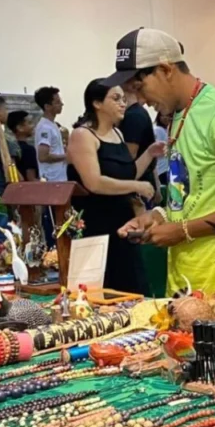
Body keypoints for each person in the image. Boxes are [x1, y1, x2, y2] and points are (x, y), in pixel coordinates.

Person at [108, 27, 215, 295]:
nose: (142, 101)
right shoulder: (180, 115)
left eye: (139, 88)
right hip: (186, 280)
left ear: (165, 69)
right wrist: (157, 217)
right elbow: (192, 193)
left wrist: (182, 231)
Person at [67, 79, 159, 295]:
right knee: (102, 287)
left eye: (124, 99)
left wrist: (150, 154)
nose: (122, 104)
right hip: (96, 223)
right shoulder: (82, 135)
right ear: (97, 103)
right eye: (116, 99)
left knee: (131, 285)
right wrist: (138, 185)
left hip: (122, 219)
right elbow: (94, 182)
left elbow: (127, 174)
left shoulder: (117, 134)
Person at [120, 81, 160, 205]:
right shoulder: (137, 113)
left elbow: (129, 159)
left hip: (138, 187)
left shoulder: (133, 116)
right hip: (143, 182)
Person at [34, 86, 67, 182]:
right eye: (57, 102)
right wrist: (66, 156)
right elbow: (43, 156)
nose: (61, 104)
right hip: (51, 180)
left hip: (59, 178)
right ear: (47, 106)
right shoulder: (45, 127)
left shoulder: (53, 125)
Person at [8, 111, 39, 181]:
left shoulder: (10, 148)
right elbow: (31, 178)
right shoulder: (29, 150)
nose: (33, 126)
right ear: (20, 128)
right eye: (29, 123)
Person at [153, 112, 171, 186]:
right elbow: (156, 150)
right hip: (162, 169)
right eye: (162, 116)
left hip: (165, 168)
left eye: (168, 116)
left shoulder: (167, 130)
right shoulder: (159, 130)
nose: (165, 118)